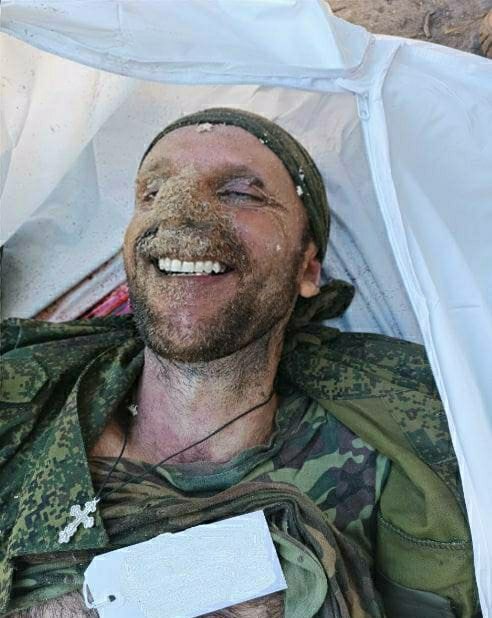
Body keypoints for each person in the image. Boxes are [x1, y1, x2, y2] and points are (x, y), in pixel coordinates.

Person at [0, 109, 480, 618]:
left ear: (308, 269)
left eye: (240, 193)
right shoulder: (23, 402)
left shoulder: (399, 462)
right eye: (153, 193)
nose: (178, 217)